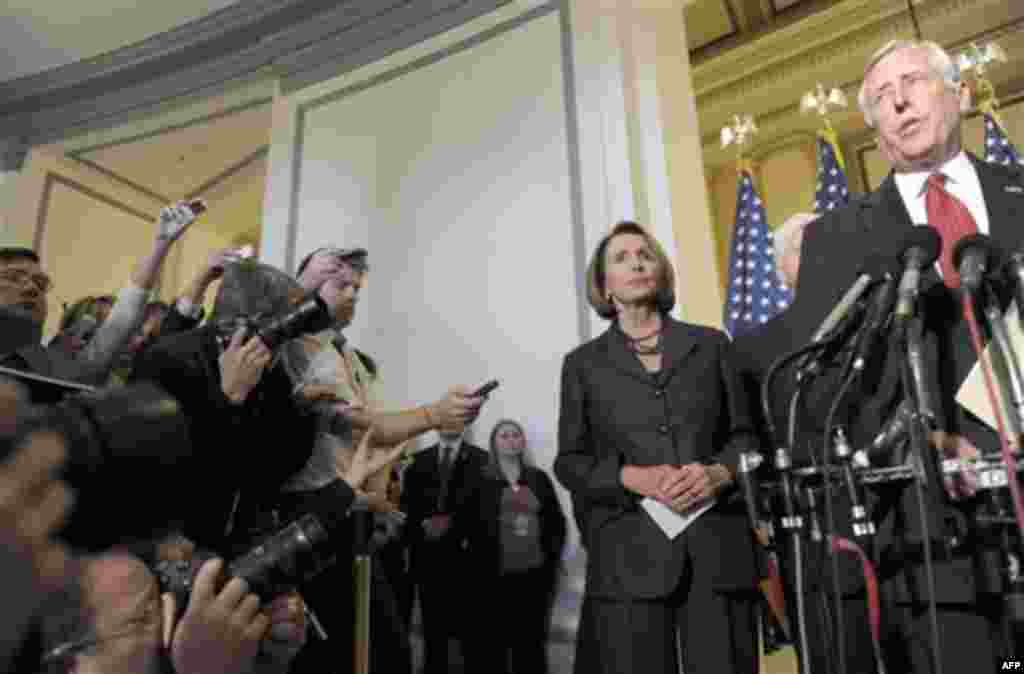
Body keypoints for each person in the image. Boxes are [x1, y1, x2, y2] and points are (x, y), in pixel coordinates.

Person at [740, 38, 1024, 672]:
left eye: (914, 82)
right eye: (879, 98)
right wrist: (916, 443)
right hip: (934, 531)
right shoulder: (837, 237)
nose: (898, 101)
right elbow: (824, 386)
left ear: (962, 92)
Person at [554, 220, 761, 674]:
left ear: (661, 271)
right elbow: (570, 463)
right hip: (629, 556)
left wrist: (719, 473)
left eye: (644, 254)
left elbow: (748, 439)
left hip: (716, 552)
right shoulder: (583, 366)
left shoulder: (711, 346)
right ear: (604, 284)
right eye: (622, 258)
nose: (637, 263)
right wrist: (632, 477)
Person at [460, 418, 567, 674]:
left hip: (533, 577)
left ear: (523, 442)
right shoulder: (481, 479)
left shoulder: (538, 478)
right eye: (504, 436)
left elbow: (556, 522)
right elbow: (466, 523)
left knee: (530, 644)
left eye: (515, 435)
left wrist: (551, 559)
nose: (510, 440)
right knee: (491, 645)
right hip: (490, 578)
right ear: (494, 444)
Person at [401, 424, 489, 674]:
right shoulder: (417, 460)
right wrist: (422, 526)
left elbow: (484, 509)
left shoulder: (482, 460)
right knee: (432, 630)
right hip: (427, 559)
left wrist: (453, 524)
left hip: (466, 561)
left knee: (467, 633)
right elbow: (407, 505)